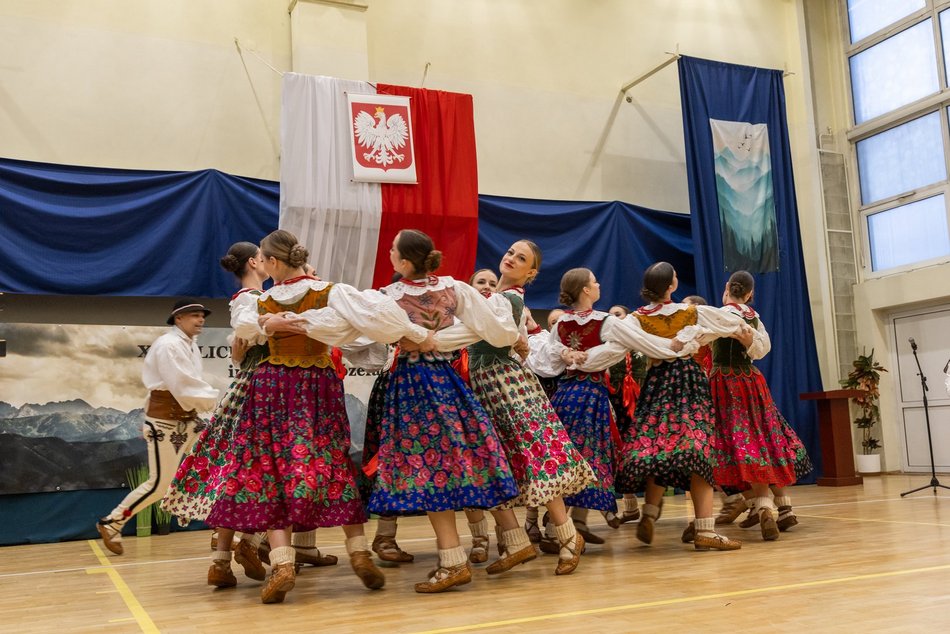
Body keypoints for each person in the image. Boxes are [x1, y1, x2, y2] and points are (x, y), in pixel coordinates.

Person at [205, 230, 427, 603]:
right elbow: (374, 321)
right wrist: (417, 333)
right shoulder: (331, 292)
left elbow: (242, 333)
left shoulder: (264, 300)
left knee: (271, 469)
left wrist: (275, 324)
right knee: (332, 461)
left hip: (273, 384)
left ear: (273, 263)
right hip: (316, 382)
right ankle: (357, 551)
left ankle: (282, 563)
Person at [367, 229, 521, 593]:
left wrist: (423, 338)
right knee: (451, 464)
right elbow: (500, 334)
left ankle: (453, 561)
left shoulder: (389, 297)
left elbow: (362, 336)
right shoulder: (456, 289)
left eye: (392, 250)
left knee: (428, 467)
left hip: (410, 385)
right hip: (443, 380)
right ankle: (463, 555)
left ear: (404, 262)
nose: (389, 253)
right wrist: (439, 339)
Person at [437, 240, 596, 575]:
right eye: (510, 253)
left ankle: (567, 536)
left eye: (520, 258)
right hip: (486, 386)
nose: (510, 258)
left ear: (531, 272)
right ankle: (518, 542)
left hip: (508, 385)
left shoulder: (506, 298)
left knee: (537, 456)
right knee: (498, 462)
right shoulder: (496, 299)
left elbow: (486, 334)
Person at [613, 261, 749, 551]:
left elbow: (616, 341)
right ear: (672, 286)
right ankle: (705, 530)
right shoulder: (690, 312)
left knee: (657, 446)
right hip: (688, 381)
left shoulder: (636, 318)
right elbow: (731, 322)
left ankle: (649, 513)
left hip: (658, 382)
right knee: (698, 449)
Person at [160, 242, 271, 586]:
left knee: (234, 469)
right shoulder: (251, 300)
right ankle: (249, 544)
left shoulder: (252, 300)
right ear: (254, 262)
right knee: (265, 467)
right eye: (263, 257)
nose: (268, 262)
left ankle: (221, 562)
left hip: (246, 385)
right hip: (261, 387)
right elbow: (255, 335)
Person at [97, 300, 220, 556]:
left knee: (214, 469)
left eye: (202, 316)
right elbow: (182, 386)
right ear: (178, 318)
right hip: (166, 423)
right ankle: (113, 522)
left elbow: (177, 388)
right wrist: (219, 403)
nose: (200, 320)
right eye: (194, 316)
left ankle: (221, 531)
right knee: (159, 485)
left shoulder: (189, 345)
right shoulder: (169, 345)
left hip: (187, 420)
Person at [705, 271, 813, 541]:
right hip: (751, 381)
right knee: (761, 437)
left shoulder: (718, 314)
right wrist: (747, 338)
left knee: (733, 443)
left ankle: (756, 506)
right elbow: (762, 349)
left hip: (724, 382)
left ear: (727, 288)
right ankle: (772, 507)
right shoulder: (754, 318)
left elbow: (699, 338)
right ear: (750, 294)